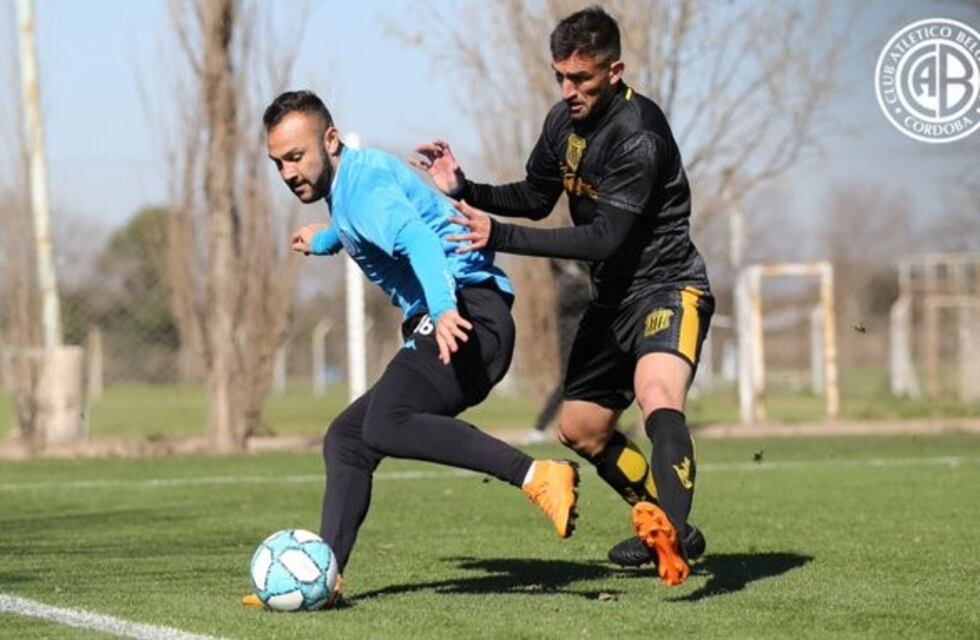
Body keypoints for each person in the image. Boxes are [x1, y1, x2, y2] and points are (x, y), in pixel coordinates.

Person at [411, 6, 712, 587]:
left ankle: (669, 529)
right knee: (579, 429)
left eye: (582, 78)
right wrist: (465, 187)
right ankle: (672, 525)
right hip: (611, 301)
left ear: (615, 70)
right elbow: (535, 194)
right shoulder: (562, 123)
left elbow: (604, 239)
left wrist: (498, 236)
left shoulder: (640, 136)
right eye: (561, 77)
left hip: (669, 287)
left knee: (656, 395)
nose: (569, 90)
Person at [243, 91, 579, 608]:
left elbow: (419, 240)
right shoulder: (353, 186)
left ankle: (538, 476)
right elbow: (366, 231)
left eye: (296, 156)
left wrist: (444, 309)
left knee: (386, 423)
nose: (288, 173)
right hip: (463, 314)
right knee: (349, 440)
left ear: (330, 141)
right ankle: (323, 578)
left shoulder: (363, 190)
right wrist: (327, 240)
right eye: (278, 163)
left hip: (467, 315)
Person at [525, 259, 591, 444]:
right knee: (566, 383)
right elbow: (580, 298)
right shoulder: (570, 284)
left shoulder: (577, 279)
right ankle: (539, 428)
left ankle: (601, 427)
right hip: (570, 341)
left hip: (584, 341)